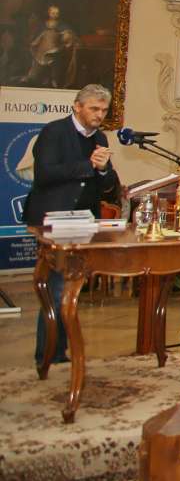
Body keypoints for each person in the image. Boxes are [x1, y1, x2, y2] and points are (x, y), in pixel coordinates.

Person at [25, 83, 120, 366]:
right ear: (77, 107)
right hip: (53, 221)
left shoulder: (100, 137)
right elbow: (44, 174)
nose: (99, 115)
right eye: (94, 108)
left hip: (83, 223)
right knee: (55, 290)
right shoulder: (54, 132)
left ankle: (61, 352)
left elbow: (107, 184)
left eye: (104, 110)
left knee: (71, 291)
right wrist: (88, 165)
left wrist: (103, 169)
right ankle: (49, 355)